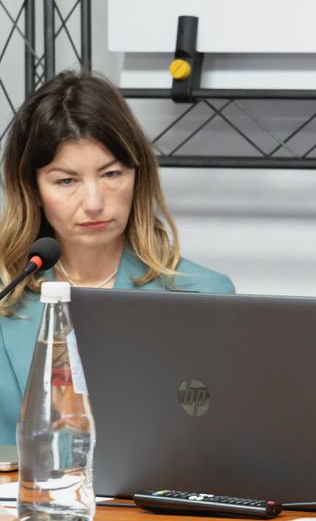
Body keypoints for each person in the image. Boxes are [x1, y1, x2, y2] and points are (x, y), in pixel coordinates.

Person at [0, 70, 235, 443]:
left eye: (111, 174)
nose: (94, 203)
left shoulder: (205, 296)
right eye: (66, 180)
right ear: (32, 189)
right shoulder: (4, 294)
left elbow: (217, 441)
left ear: (137, 175)